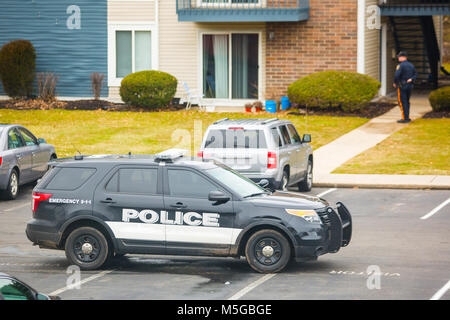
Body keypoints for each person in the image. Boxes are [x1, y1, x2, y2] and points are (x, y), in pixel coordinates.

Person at [393, 51, 417, 123]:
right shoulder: (411, 65)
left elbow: (397, 75)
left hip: (402, 85)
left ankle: (405, 118)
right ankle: (407, 116)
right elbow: (416, 73)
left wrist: (395, 82)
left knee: (402, 102)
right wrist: (412, 79)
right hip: (410, 86)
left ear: (403, 57)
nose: (398, 58)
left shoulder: (400, 65)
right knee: (407, 101)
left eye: (399, 57)